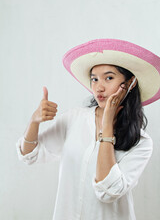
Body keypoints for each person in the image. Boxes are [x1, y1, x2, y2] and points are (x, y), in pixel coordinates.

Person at [16, 39, 160, 220]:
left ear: (130, 84)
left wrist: (107, 126)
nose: (99, 87)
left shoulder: (141, 142)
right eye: (94, 79)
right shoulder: (74, 118)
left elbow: (108, 191)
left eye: (109, 78)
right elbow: (30, 155)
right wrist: (34, 121)